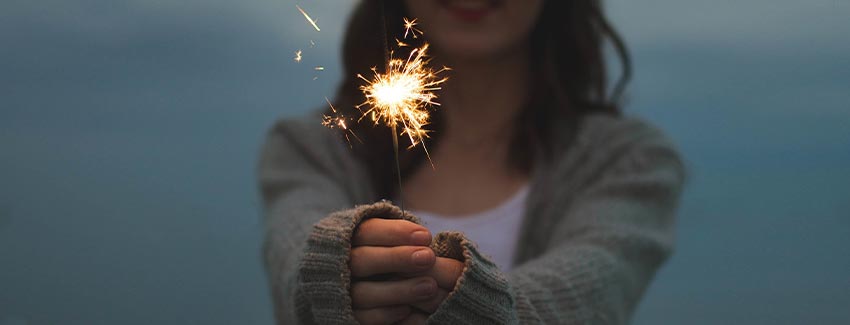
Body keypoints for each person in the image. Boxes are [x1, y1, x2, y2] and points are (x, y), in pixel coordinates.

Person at [259, 0, 685, 324]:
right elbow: (294, 255)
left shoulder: (626, 160)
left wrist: (475, 300)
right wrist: (333, 270)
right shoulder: (314, 146)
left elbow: (597, 286)